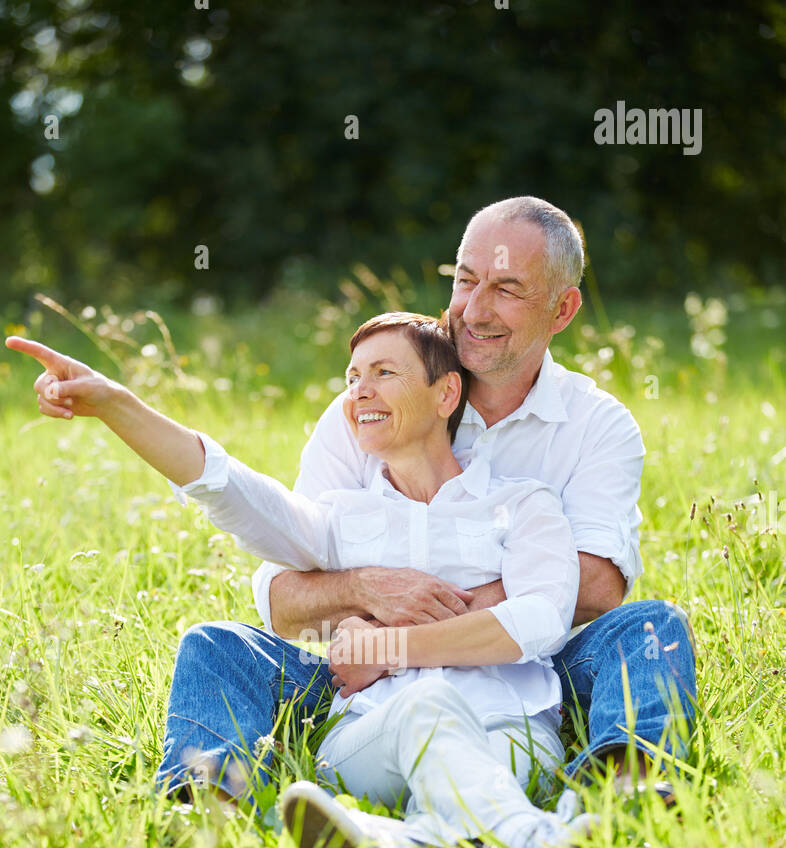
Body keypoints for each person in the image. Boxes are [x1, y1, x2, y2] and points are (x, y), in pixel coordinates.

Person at [152, 196, 697, 814]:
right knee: (220, 647)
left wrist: (402, 633)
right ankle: (208, 804)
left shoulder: (596, 424)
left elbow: (597, 585)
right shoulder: (370, 407)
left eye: (507, 289)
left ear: (562, 308)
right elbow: (287, 595)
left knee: (651, 630)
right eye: (465, 280)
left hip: (527, 672)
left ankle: (629, 786)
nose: (474, 308)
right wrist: (367, 592)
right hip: (359, 678)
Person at [6, 313, 598, 848]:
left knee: (449, 750)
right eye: (352, 378)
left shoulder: (523, 504)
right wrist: (116, 404)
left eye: (383, 373)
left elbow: (541, 619)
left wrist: (390, 648)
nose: (359, 391)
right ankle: (537, 838)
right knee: (425, 706)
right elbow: (227, 486)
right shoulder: (339, 519)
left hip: (510, 731)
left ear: (446, 395)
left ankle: (404, 846)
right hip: (371, 738)